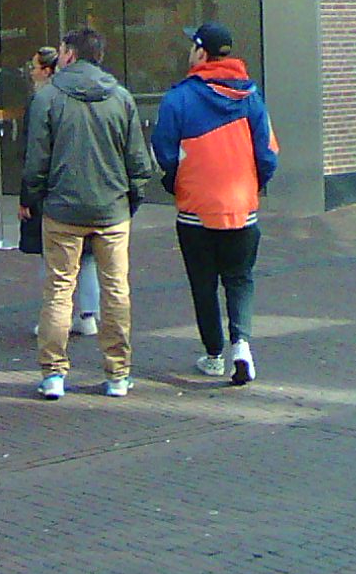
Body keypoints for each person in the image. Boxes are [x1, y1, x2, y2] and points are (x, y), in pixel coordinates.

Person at [22, 26, 153, 400]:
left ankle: (53, 374)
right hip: (111, 209)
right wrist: (132, 198)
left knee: (59, 289)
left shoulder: (48, 97)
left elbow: (36, 160)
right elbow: (137, 160)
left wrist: (34, 198)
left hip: (62, 209)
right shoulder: (121, 97)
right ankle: (118, 374)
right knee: (116, 290)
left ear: (70, 54)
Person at [152, 23, 279, 385]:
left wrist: (176, 182)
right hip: (241, 207)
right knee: (239, 279)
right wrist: (254, 184)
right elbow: (268, 154)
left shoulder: (178, 98)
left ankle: (213, 356)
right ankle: (242, 347)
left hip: (196, 209)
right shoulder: (251, 96)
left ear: (201, 52)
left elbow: (163, 152)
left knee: (203, 283)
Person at [20, 46, 100, 339]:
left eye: (34, 67)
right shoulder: (90, 96)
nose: (31, 73)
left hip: (54, 189)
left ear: (47, 70)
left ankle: (55, 318)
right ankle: (88, 314)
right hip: (90, 186)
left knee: (54, 258)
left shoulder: (44, 101)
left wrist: (28, 196)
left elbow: (34, 154)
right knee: (87, 256)